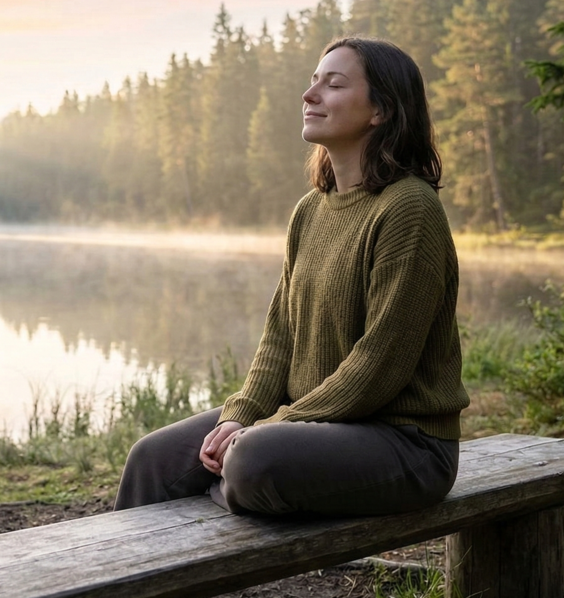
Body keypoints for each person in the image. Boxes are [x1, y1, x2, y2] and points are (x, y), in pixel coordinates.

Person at [114, 37, 470, 516]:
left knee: (251, 460)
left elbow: (377, 368)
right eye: (312, 81)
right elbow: (279, 338)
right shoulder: (309, 211)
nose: (310, 94)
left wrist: (266, 427)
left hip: (404, 443)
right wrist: (241, 413)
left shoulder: (408, 209)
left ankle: (223, 493)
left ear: (380, 110)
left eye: (333, 83)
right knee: (152, 459)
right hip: (312, 424)